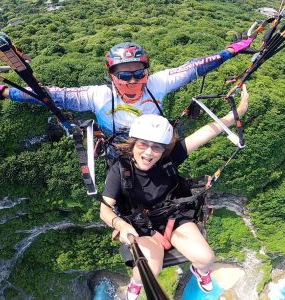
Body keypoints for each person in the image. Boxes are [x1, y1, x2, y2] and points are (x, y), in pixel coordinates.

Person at [99, 85, 249, 299]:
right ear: (134, 144)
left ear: (164, 149)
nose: (149, 152)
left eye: (157, 147)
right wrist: (121, 225)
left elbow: (206, 132)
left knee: (206, 258)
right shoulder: (120, 170)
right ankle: (136, 282)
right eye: (143, 144)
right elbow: (105, 209)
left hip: (174, 217)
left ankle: (200, 271)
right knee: (148, 270)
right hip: (141, 226)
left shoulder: (169, 160)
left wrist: (236, 113)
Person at [0, 38, 254, 139]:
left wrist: (229, 51)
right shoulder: (99, 95)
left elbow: (195, 67)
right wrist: (3, 91)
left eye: (138, 74)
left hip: (154, 142)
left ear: (147, 72)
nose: (132, 81)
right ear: (111, 75)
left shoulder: (158, 82)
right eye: (123, 75)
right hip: (120, 146)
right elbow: (48, 95)